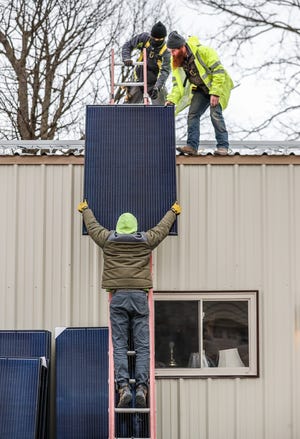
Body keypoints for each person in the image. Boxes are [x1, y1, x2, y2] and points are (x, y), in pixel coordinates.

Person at [77, 200, 181, 408]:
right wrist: (173, 211)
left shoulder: (107, 239)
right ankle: (142, 387)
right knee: (142, 346)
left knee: (120, 345)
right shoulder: (146, 240)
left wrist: (86, 209)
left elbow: (93, 226)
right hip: (139, 297)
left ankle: (123, 386)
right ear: (135, 227)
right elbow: (161, 229)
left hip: (118, 297)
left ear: (118, 227)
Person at [165, 31, 234, 156]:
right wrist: (172, 99)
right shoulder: (176, 61)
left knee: (215, 114)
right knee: (193, 114)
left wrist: (215, 93)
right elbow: (177, 85)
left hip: (217, 87)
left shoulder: (204, 52)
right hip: (201, 90)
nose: (172, 54)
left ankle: (223, 147)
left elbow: (219, 72)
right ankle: (192, 146)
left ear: (182, 47)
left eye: (173, 51)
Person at [121, 21, 171, 105]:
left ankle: (161, 114)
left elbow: (165, 72)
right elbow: (128, 45)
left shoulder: (166, 51)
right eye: (154, 38)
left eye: (159, 39)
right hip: (139, 79)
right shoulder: (144, 39)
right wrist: (126, 58)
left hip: (156, 83)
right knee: (128, 109)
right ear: (151, 36)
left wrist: (157, 87)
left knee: (163, 111)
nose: (156, 41)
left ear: (164, 38)